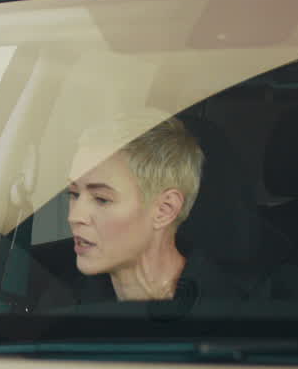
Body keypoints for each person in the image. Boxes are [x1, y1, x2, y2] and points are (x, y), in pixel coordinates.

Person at [66, 114, 204, 301]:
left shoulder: (232, 319)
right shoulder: (60, 306)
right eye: (74, 194)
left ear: (165, 209)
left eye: (101, 199)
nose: (74, 217)